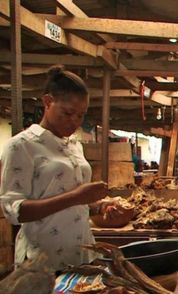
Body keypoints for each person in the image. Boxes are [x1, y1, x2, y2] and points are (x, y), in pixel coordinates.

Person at [0, 65, 125, 271]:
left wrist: (98, 207)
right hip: (42, 260)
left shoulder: (74, 145)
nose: (74, 121)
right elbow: (14, 211)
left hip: (82, 254)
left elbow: (75, 201)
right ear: (48, 102)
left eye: (81, 115)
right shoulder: (22, 146)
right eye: (68, 113)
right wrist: (77, 197)